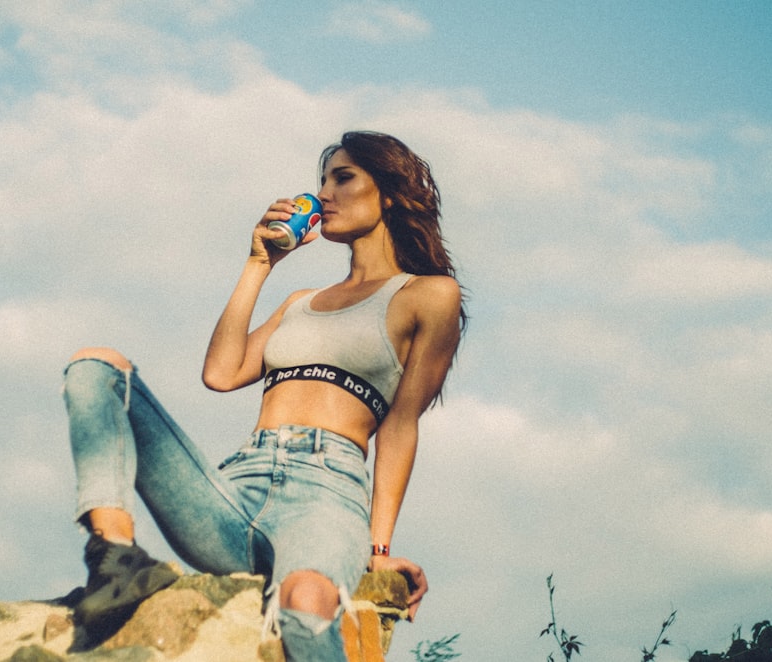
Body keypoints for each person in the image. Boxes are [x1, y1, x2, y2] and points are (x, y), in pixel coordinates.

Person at [61, 131, 467, 660]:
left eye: (343, 178)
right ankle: (115, 556)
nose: (324, 193)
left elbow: (400, 425)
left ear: (388, 192)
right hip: (235, 486)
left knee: (306, 601)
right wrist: (259, 263)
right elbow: (222, 373)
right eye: (323, 180)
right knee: (97, 366)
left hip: (326, 493)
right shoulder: (301, 301)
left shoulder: (429, 294)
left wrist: (378, 548)